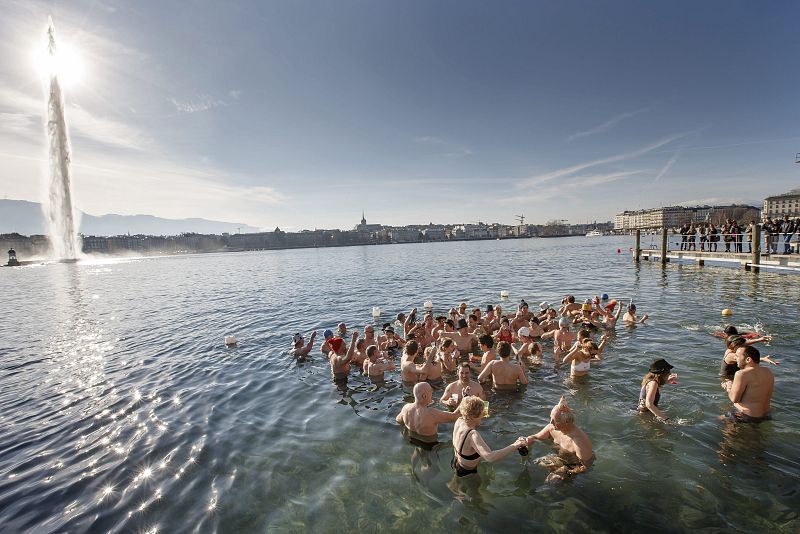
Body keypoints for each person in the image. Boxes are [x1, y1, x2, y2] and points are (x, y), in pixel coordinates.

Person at [450, 396, 528, 477]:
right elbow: (490, 457)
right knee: (474, 488)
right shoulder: (472, 435)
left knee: (455, 483)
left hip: (456, 462)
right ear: (473, 416)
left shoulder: (459, 421)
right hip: (467, 472)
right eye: (482, 413)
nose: (483, 415)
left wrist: (466, 398)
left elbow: (466, 407)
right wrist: (516, 445)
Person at [523, 396, 594, 482]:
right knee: (536, 463)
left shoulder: (579, 441)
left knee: (551, 482)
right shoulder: (552, 428)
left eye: (555, 421)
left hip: (573, 464)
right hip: (560, 458)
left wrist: (566, 472)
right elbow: (536, 437)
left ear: (566, 422)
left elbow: (586, 466)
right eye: (551, 418)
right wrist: (528, 440)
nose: (550, 422)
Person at [724, 346, 774, 423]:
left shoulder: (741, 374)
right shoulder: (768, 371)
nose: (735, 358)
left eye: (737, 356)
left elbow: (734, 399)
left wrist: (729, 387)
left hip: (745, 416)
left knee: (717, 422)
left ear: (748, 359)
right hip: (766, 415)